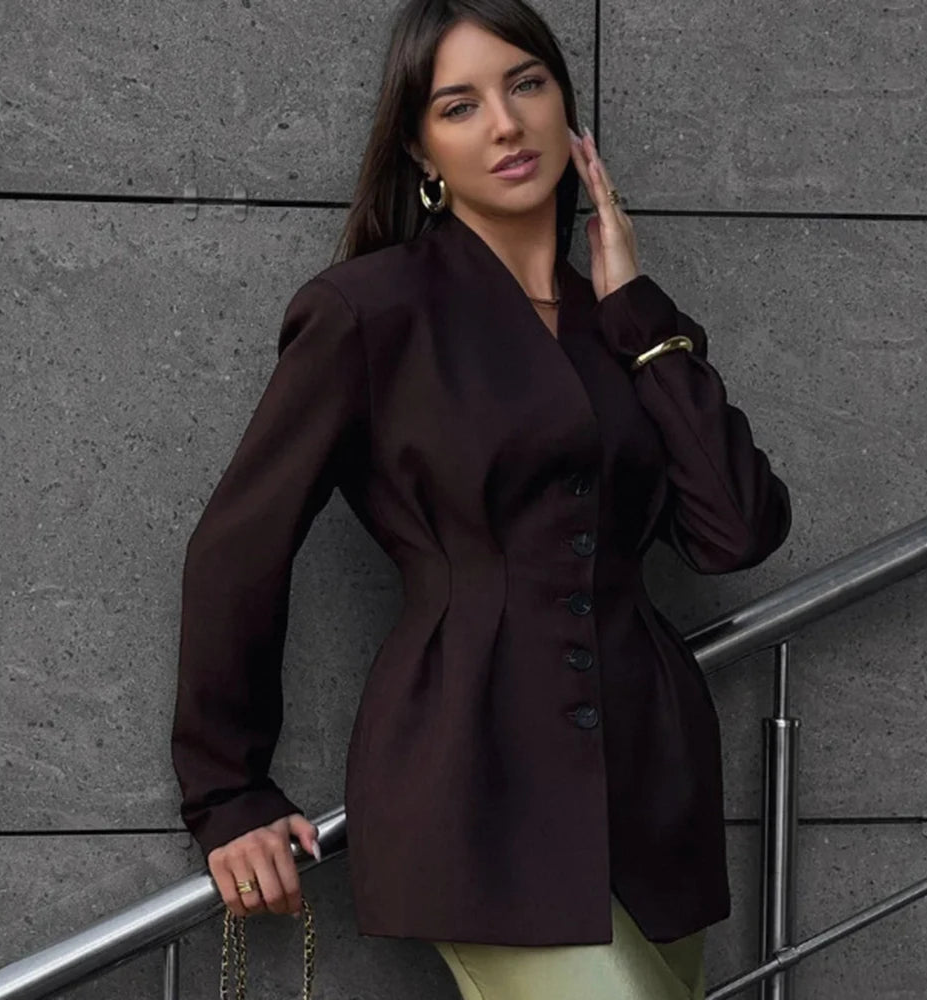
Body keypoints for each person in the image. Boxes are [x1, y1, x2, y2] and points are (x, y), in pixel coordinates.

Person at [170, 1, 793, 997]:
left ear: (565, 108)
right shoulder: (369, 311)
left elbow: (735, 531)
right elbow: (237, 546)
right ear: (422, 151)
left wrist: (639, 313)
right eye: (459, 106)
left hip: (651, 790)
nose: (505, 123)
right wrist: (227, 792)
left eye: (527, 84)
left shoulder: (624, 322)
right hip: (474, 777)